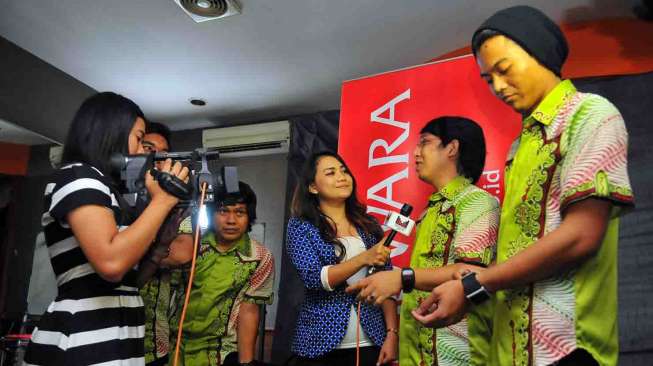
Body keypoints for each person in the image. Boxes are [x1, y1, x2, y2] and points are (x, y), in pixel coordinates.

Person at [412, 6, 635, 366]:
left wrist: (471, 286)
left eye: (504, 69)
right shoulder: (520, 146)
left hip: (567, 349)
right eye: (488, 79)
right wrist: (467, 298)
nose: (498, 86)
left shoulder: (590, 114)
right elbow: (516, 258)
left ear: (540, 53)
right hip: (512, 350)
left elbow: (581, 234)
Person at [23, 92, 189, 365]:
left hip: (119, 334)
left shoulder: (109, 193)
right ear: (110, 133)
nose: (140, 153)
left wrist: (160, 243)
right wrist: (163, 200)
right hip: (80, 337)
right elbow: (111, 263)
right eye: (139, 139)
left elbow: (129, 283)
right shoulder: (78, 175)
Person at [347, 116, 499, 365]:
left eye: (425, 143)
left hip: (456, 352)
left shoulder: (478, 202)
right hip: (417, 348)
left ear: (452, 148)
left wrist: (401, 278)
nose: (415, 153)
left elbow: (471, 274)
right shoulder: (429, 212)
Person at [286, 152, 398, 366]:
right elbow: (314, 278)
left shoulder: (369, 225)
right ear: (313, 187)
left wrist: (392, 333)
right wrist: (364, 258)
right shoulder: (301, 226)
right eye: (331, 172)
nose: (342, 176)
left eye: (344, 170)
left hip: (370, 342)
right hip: (318, 344)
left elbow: (388, 283)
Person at [176, 181, 274, 366]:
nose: (231, 220)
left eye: (239, 212)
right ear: (212, 214)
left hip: (222, 350)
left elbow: (249, 310)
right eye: (223, 211)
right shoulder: (192, 245)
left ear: (249, 216)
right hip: (174, 343)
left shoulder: (259, 257)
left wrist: (245, 362)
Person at [137, 121, 194, 366]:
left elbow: (182, 252)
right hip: (106, 332)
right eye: (148, 148)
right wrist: (158, 249)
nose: (156, 159)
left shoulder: (176, 205)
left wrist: (135, 250)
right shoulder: (116, 199)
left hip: (154, 339)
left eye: (163, 154)